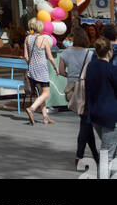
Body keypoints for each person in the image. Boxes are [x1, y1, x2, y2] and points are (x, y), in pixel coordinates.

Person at [59, 26, 97, 168]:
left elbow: (61, 71)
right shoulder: (89, 53)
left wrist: (72, 76)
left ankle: (92, 153)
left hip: (73, 91)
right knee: (85, 123)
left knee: (85, 122)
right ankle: (80, 154)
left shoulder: (65, 53)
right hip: (87, 89)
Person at [85, 37, 117, 176]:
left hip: (95, 114)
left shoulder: (90, 66)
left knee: (109, 151)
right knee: (107, 154)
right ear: (110, 51)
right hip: (110, 115)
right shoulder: (111, 69)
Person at [24, 18, 59, 124]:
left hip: (32, 70)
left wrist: (31, 64)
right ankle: (32, 108)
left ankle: (45, 117)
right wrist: (55, 67)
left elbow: (25, 56)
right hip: (42, 70)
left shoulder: (27, 39)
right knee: (46, 93)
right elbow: (50, 57)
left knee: (41, 94)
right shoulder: (44, 40)